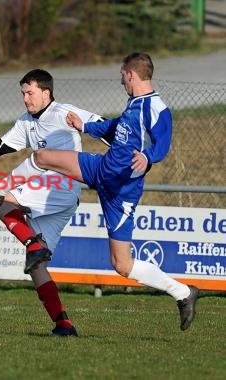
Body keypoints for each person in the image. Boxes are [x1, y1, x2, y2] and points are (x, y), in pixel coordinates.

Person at [33, 52, 199, 331]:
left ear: (131, 74)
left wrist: (148, 157)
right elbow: (116, 127)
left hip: (122, 192)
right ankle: (13, 200)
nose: (120, 79)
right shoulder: (133, 103)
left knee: (121, 265)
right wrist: (86, 126)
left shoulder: (156, 107)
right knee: (42, 157)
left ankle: (183, 293)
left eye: (122, 74)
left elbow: (163, 142)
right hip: (101, 169)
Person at [0, 69, 103, 336]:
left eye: (30, 93)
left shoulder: (63, 112)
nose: (26, 99)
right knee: (38, 267)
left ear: (46, 93)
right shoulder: (26, 121)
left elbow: (104, 126)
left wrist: (127, 150)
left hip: (61, 184)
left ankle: (31, 244)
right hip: (57, 195)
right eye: (23, 93)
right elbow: (2, 146)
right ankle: (63, 324)